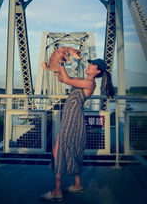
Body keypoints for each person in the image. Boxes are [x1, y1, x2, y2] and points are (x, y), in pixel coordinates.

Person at [40, 50, 115, 201]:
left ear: (98, 71)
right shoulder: (82, 79)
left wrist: (62, 62)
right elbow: (63, 78)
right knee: (69, 149)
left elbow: (67, 80)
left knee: (59, 151)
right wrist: (54, 65)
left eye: (93, 64)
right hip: (71, 117)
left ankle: (57, 191)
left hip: (73, 119)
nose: (90, 65)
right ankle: (78, 184)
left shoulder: (89, 83)